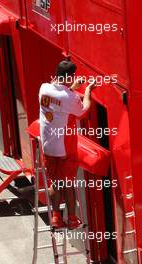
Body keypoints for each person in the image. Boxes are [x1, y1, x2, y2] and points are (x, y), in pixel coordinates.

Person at [39, 60, 96, 229]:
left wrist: (71, 87)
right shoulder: (70, 97)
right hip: (64, 146)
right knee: (68, 183)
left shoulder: (43, 88)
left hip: (47, 146)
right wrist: (87, 91)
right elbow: (83, 110)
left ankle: (56, 218)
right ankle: (72, 219)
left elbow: (59, 101)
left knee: (55, 182)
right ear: (71, 76)